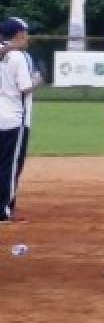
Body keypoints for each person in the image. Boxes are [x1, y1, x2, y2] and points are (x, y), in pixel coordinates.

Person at [0, 17, 35, 223]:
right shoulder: (19, 56)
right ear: (19, 34)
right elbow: (25, 87)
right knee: (11, 166)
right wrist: (38, 80)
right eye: (26, 33)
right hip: (14, 117)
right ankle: (4, 210)